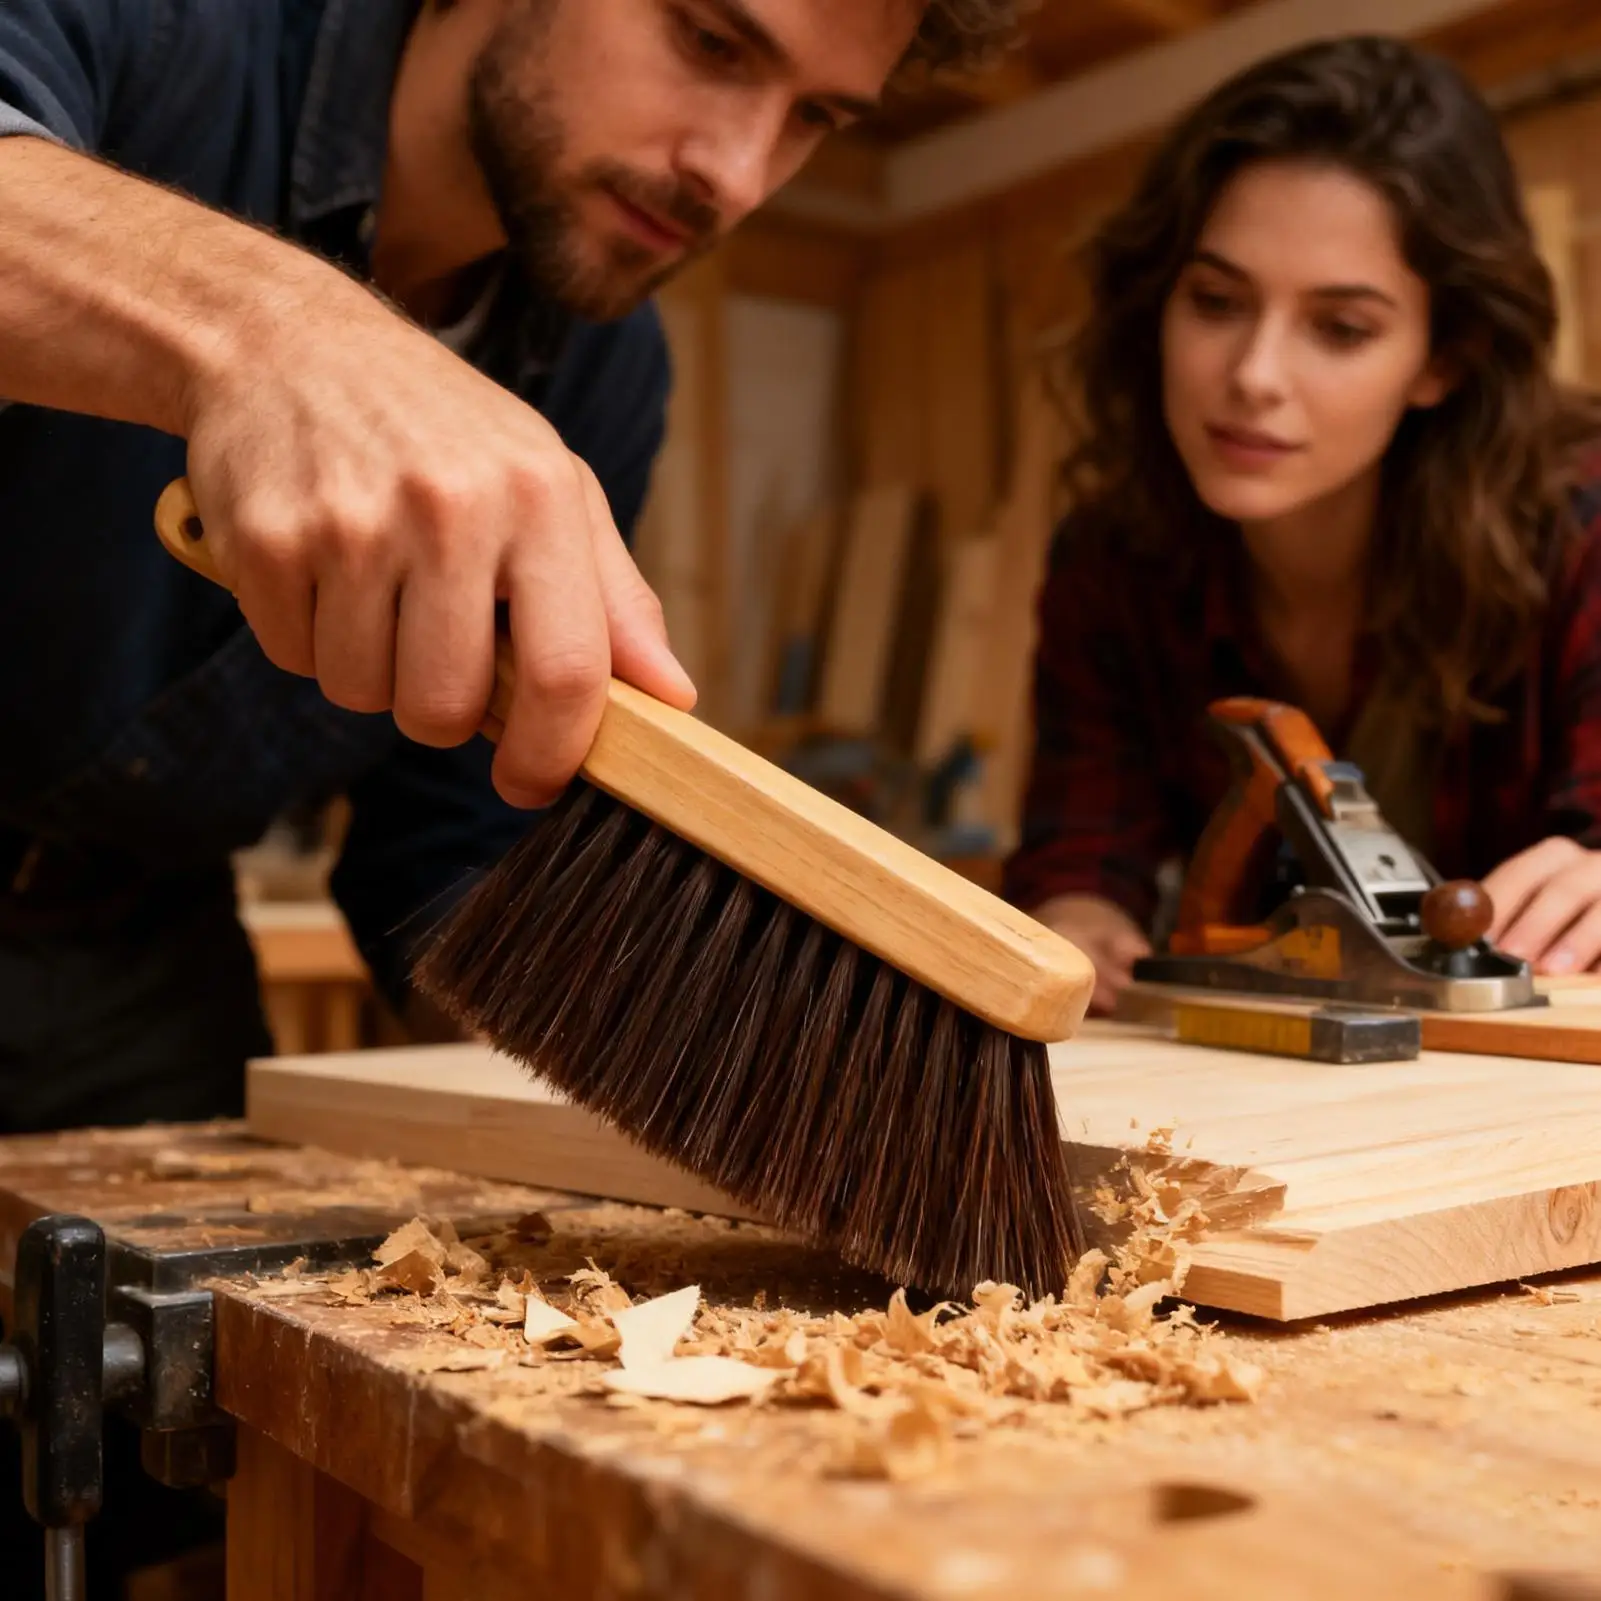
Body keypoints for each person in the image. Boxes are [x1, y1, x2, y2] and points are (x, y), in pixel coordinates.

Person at [0, 0, 1022, 1591]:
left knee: (147, 1520)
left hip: (133, 966)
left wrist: (754, 1051)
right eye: (712, 39)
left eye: (819, 117)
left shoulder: (605, 367)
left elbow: (452, 856)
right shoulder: (170, 28)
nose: (738, 173)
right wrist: (273, 334)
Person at [1002, 35, 1601, 1016]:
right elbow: (1077, 854)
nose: (1252, 376)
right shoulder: (1109, 562)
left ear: (1440, 357)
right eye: (1214, 301)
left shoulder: (1578, 527)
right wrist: (1073, 920)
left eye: (1340, 328)